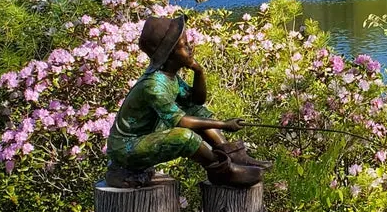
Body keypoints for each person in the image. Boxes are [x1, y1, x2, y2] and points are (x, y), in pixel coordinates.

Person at [106, 14, 267, 187]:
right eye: (184, 45)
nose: (190, 48)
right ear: (169, 54)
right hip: (126, 148)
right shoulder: (154, 86)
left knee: (196, 111)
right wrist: (224, 124)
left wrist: (199, 72)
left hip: (145, 137)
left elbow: (197, 101)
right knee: (183, 137)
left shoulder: (170, 77)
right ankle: (221, 170)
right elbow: (181, 122)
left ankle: (233, 155)